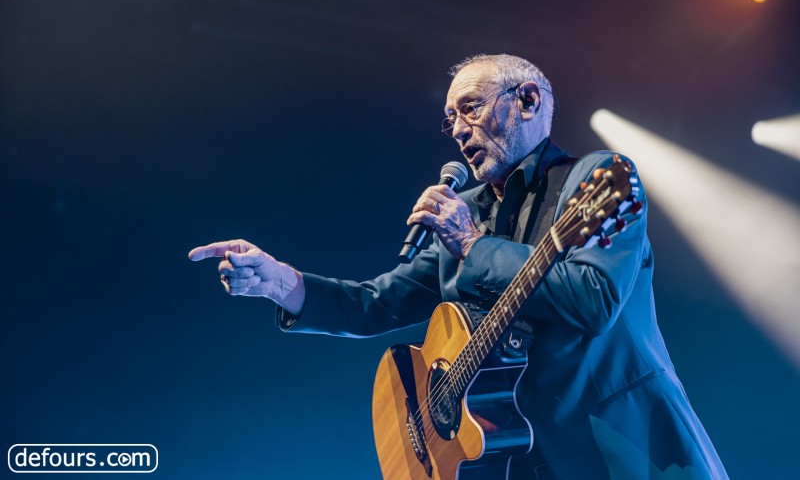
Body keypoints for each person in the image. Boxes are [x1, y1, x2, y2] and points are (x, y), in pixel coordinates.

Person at [189, 54, 727, 479]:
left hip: (624, 449)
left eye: (470, 108)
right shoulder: (469, 210)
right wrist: (278, 282)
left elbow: (594, 300)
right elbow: (375, 304)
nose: (458, 130)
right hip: (516, 460)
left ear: (527, 100)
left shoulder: (595, 179)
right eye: (450, 120)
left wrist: (473, 245)